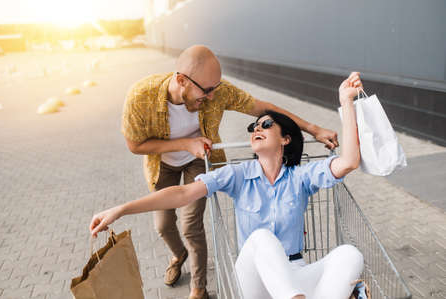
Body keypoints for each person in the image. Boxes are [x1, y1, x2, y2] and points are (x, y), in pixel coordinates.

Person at [92, 72, 364, 299]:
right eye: (253, 127)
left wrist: (346, 102)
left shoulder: (300, 177)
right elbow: (183, 193)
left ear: (286, 139)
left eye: (266, 124)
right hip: (253, 281)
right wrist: (122, 209)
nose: (257, 128)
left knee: (350, 255)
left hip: (295, 272)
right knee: (261, 238)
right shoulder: (237, 175)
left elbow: (349, 161)